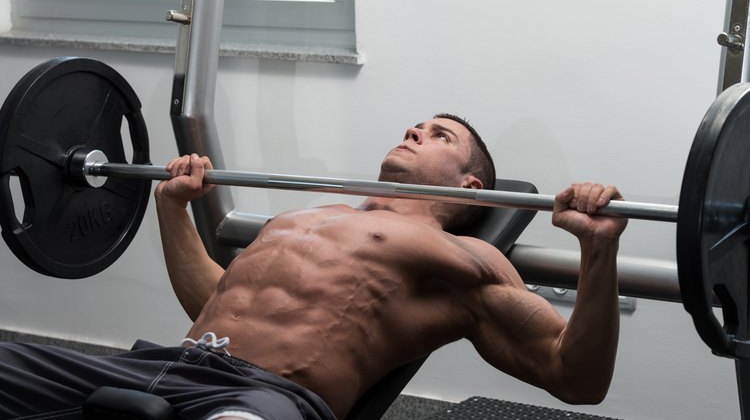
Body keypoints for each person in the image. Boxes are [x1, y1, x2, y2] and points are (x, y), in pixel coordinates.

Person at [0, 114, 626, 420]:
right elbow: (216, 302)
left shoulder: (467, 257)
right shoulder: (305, 218)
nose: (415, 129)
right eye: (418, 123)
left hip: (264, 397)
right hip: (163, 361)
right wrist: (172, 210)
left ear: (471, 186)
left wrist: (599, 253)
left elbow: (574, 377)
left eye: (439, 134)